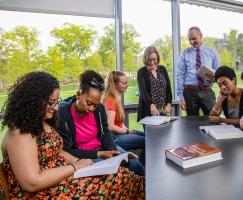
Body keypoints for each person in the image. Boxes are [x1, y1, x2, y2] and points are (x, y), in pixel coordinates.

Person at [0, 72, 144, 199]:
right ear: (33, 100)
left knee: (124, 174)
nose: (56, 108)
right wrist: (75, 167)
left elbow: (59, 151)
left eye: (56, 102)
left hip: (63, 178)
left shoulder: (41, 122)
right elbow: (31, 183)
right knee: (122, 182)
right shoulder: (20, 133)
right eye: (51, 102)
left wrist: (83, 164)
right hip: (45, 192)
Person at [57, 70, 145, 176]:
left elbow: (106, 134)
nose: (92, 109)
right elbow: (68, 150)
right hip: (84, 156)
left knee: (136, 166)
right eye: (89, 103)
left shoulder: (99, 109)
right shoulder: (62, 114)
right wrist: (99, 154)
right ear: (78, 95)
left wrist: (114, 152)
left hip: (102, 149)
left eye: (95, 105)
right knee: (119, 174)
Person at [101, 70, 145, 165]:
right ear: (115, 85)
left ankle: (142, 166)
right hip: (114, 137)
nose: (127, 85)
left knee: (148, 137)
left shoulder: (116, 97)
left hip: (119, 134)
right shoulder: (111, 99)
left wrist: (127, 129)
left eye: (127, 82)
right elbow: (110, 126)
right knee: (147, 141)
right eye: (124, 83)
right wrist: (127, 131)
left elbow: (119, 123)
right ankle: (141, 167)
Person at [176, 26, 220, 116]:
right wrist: (181, 97)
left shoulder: (212, 52)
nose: (192, 42)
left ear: (201, 35)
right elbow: (179, 75)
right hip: (189, 92)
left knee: (212, 119)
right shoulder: (185, 53)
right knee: (191, 123)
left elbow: (219, 73)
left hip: (207, 91)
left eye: (194, 38)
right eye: (189, 39)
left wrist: (213, 78)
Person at [137, 46, 172, 121]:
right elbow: (143, 92)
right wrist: (151, 105)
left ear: (157, 58)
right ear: (146, 59)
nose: (152, 62)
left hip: (164, 110)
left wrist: (169, 104)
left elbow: (168, 88)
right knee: (151, 133)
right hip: (149, 111)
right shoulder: (141, 72)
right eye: (149, 60)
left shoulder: (163, 69)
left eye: (154, 59)